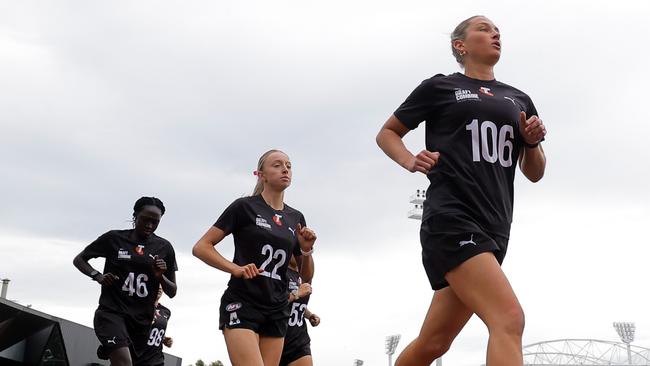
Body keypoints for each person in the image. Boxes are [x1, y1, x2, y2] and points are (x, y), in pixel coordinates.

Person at [376, 15, 547, 366]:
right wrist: (410, 160)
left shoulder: (519, 99)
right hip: (452, 218)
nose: (495, 33)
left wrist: (531, 143)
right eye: (484, 29)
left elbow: (535, 172)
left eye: (498, 30)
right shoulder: (440, 87)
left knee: (434, 343)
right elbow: (387, 133)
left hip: (495, 227)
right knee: (509, 318)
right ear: (461, 45)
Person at [193, 149, 316, 366]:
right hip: (243, 302)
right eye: (277, 165)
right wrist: (234, 268)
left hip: (277, 307)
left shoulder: (295, 217)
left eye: (288, 165)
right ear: (261, 174)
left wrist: (306, 250)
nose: (285, 169)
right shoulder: (244, 207)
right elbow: (202, 247)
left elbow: (305, 277)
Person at [73, 197, 178, 366]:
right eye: (145, 219)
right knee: (124, 363)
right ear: (135, 215)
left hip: (141, 321)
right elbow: (80, 259)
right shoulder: (114, 238)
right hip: (112, 313)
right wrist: (97, 276)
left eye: (155, 222)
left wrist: (160, 276)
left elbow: (172, 292)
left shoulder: (164, 247)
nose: (150, 225)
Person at [280, 256, 320, 366]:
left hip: (299, 342)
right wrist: (296, 294)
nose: (300, 255)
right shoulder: (278, 272)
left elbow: (296, 304)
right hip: (275, 338)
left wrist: (309, 314)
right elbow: (273, 301)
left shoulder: (303, 277)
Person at [134, 286, 173, 366]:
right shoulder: (138, 306)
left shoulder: (166, 311)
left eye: (162, 285)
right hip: (136, 358)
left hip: (156, 360)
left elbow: (154, 329)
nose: (159, 287)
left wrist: (163, 339)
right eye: (157, 283)